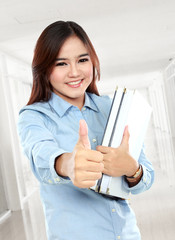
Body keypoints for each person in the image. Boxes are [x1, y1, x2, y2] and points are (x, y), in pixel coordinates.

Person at [17, 20, 154, 240]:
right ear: (44, 69)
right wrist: (69, 164)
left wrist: (132, 169)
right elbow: (41, 157)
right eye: (61, 63)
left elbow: (145, 179)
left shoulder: (112, 107)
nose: (74, 72)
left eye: (82, 60)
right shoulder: (34, 116)